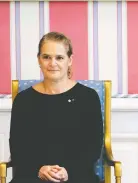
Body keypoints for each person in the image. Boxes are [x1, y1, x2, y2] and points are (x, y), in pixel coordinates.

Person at [9, 32, 103, 183]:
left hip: (78, 175)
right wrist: (39, 169)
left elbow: (93, 146)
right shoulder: (24, 99)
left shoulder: (88, 97)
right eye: (46, 57)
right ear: (39, 60)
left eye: (59, 57)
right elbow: (18, 147)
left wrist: (68, 171)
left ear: (70, 60)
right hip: (33, 176)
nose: (52, 63)